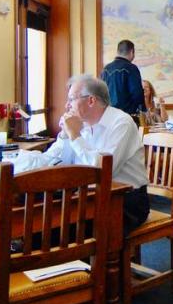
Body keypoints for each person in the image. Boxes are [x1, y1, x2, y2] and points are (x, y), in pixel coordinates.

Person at [28, 75, 150, 234]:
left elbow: (103, 171)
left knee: (54, 233)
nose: (66, 105)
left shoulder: (122, 123)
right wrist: (65, 136)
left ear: (91, 100)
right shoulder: (80, 124)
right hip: (88, 197)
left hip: (125, 201)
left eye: (71, 99)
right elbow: (56, 160)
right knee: (40, 221)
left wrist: (75, 136)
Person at [101, 39, 144, 115]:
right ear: (131, 52)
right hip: (127, 115)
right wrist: (143, 110)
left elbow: (100, 94)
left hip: (108, 114)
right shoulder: (131, 68)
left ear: (118, 52)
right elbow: (137, 94)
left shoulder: (105, 69)